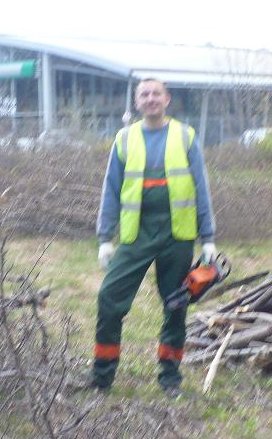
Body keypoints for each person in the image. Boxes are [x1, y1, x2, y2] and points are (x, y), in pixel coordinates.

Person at [88, 78, 216, 396]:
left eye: (156, 93)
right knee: (109, 298)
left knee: (175, 305)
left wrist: (208, 237)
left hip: (177, 234)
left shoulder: (185, 136)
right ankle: (102, 377)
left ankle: (169, 378)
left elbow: (201, 187)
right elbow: (112, 189)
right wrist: (105, 237)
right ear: (137, 102)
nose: (151, 99)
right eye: (144, 94)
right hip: (137, 233)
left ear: (167, 99)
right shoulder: (124, 138)